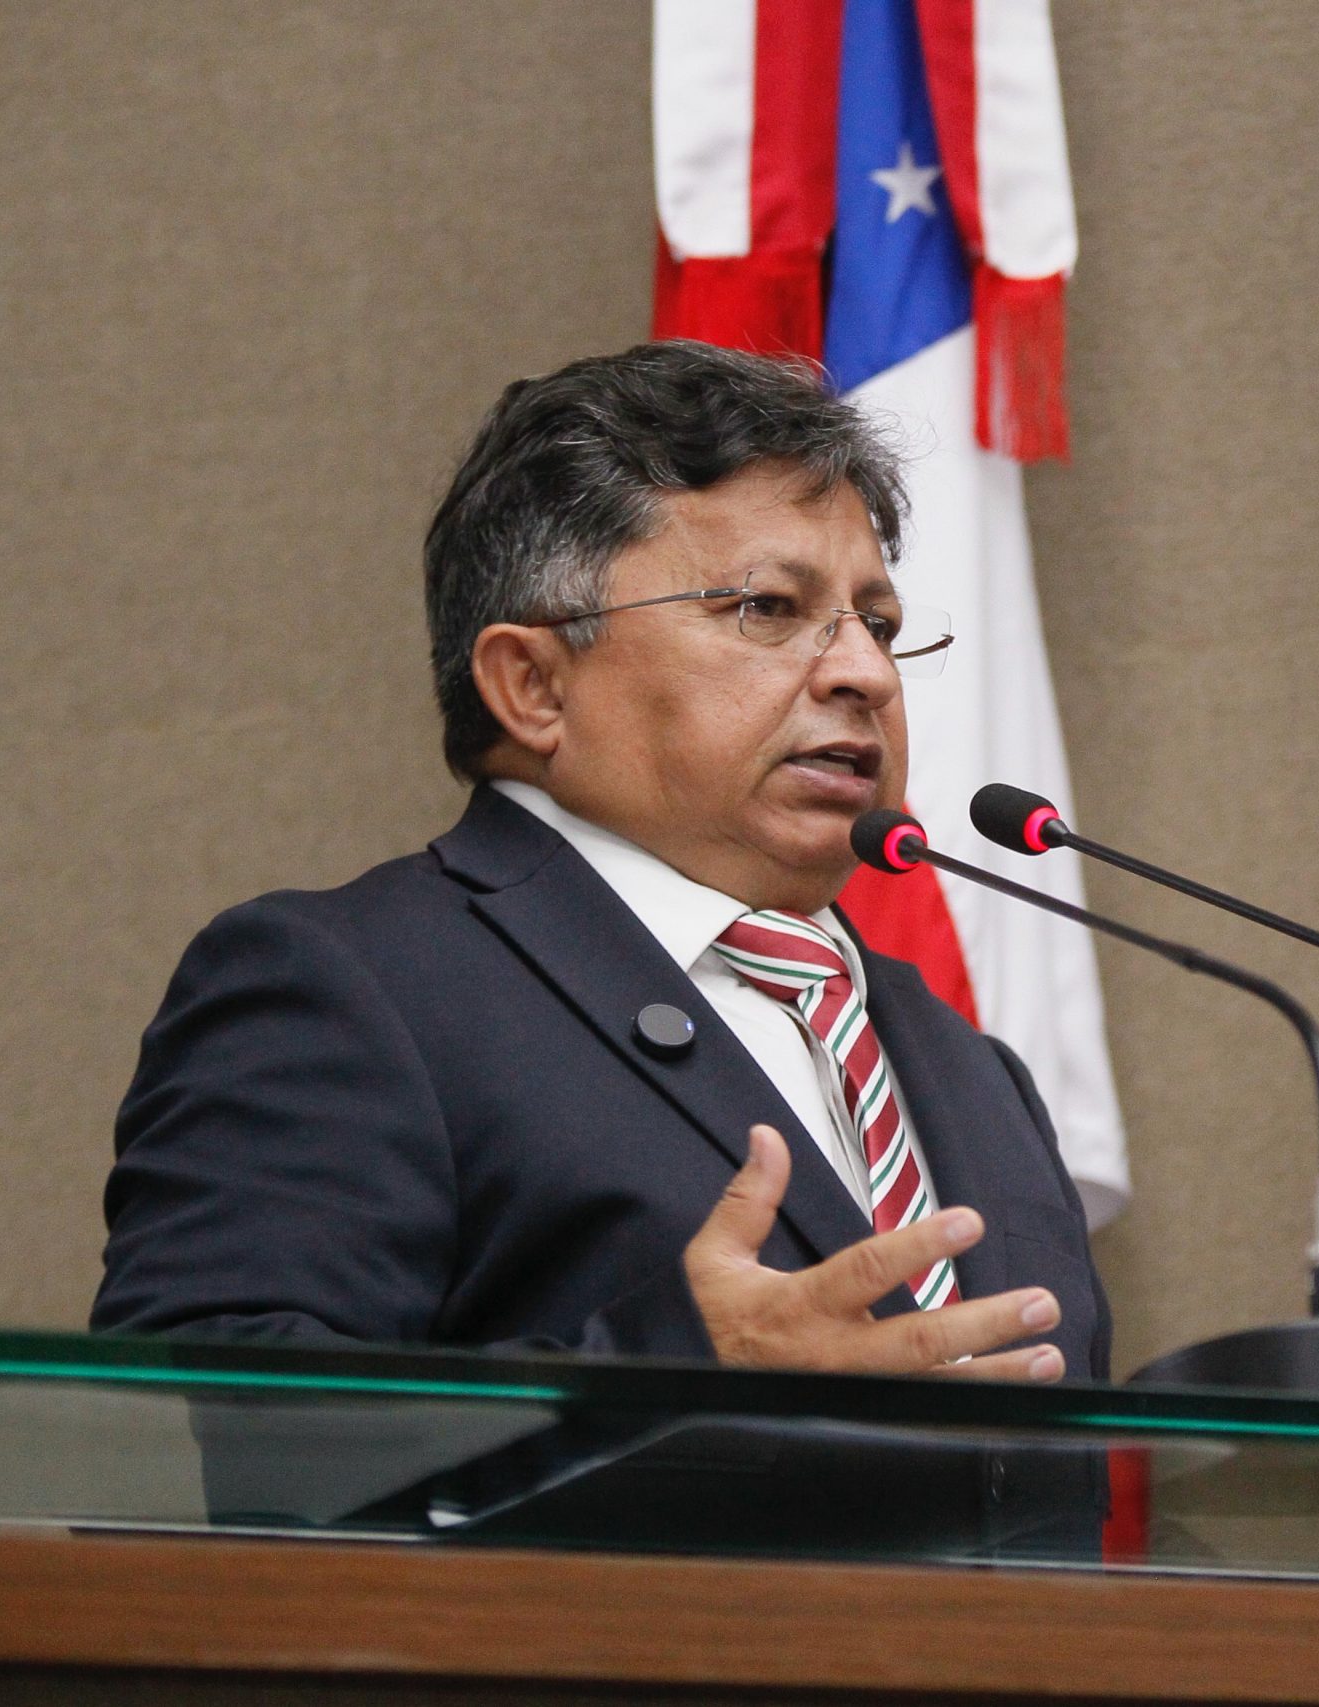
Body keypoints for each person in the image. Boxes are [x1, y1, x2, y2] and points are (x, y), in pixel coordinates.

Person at [92, 342, 1109, 1410]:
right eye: (766, 606)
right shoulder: (352, 988)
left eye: (881, 625)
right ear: (531, 684)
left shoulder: (974, 1070)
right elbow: (218, 1432)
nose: (862, 671)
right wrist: (679, 1366)